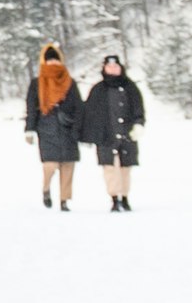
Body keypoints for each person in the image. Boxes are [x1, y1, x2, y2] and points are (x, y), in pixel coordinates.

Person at [23, 44, 85, 210]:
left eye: (55, 60)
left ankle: (64, 200)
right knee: (50, 166)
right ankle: (46, 188)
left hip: (68, 129)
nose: (53, 64)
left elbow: (79, 107)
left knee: (68, 166)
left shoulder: (70, 82)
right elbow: (31, 107)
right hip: (47, 128)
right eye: (49, 61)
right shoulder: (37, 83)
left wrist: (78, 128)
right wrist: (29, 129)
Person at [82, 54, 146, 212]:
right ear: (104, 69)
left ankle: (125, 197)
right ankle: (114, 198)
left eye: (115, 67)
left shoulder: (130, 87)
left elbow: (138, 109)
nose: (112, 69)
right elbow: (89, 113)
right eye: (109, 67)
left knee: (125, 168)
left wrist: (138, 125)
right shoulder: (98, 89)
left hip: (127, 133)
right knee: (110, 169)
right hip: (105, 135)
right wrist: (89, 133)